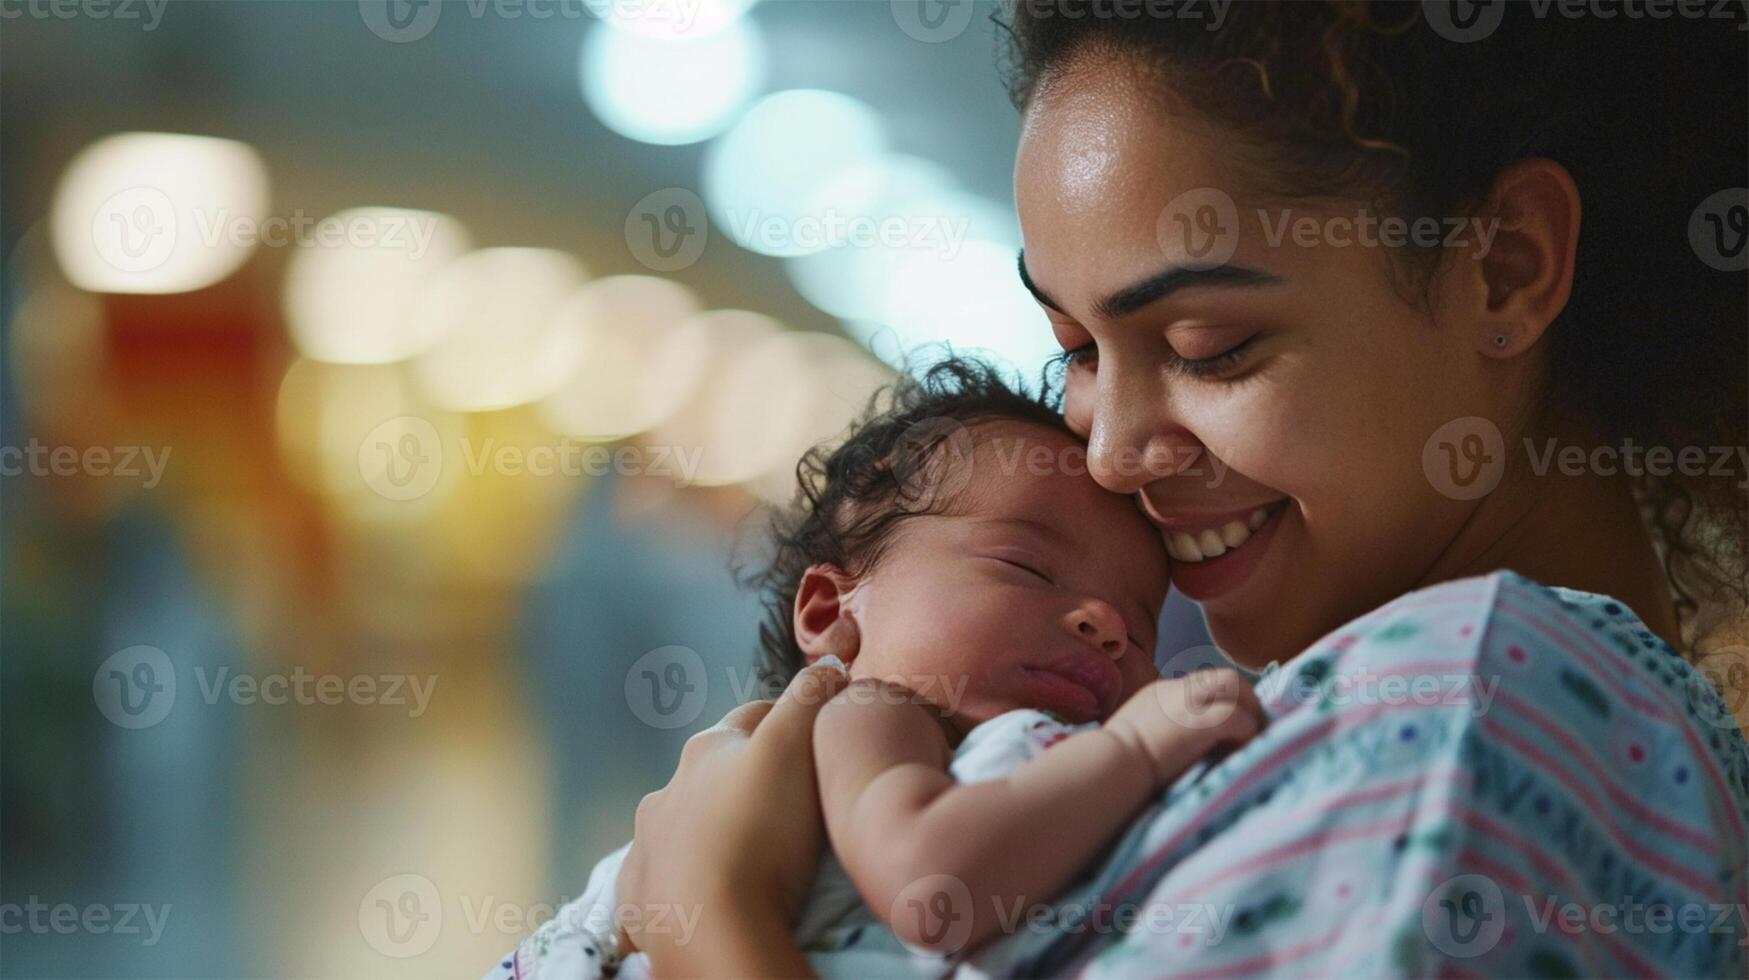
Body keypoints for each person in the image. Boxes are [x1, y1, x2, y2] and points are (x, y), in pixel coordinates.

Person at [613, 2, 1749, 976]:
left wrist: (713, 925)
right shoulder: (1511, 708)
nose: (1107, 452)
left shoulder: (1466, 723)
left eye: (1209, 345)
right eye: (1077, 347)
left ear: (1504, 265)